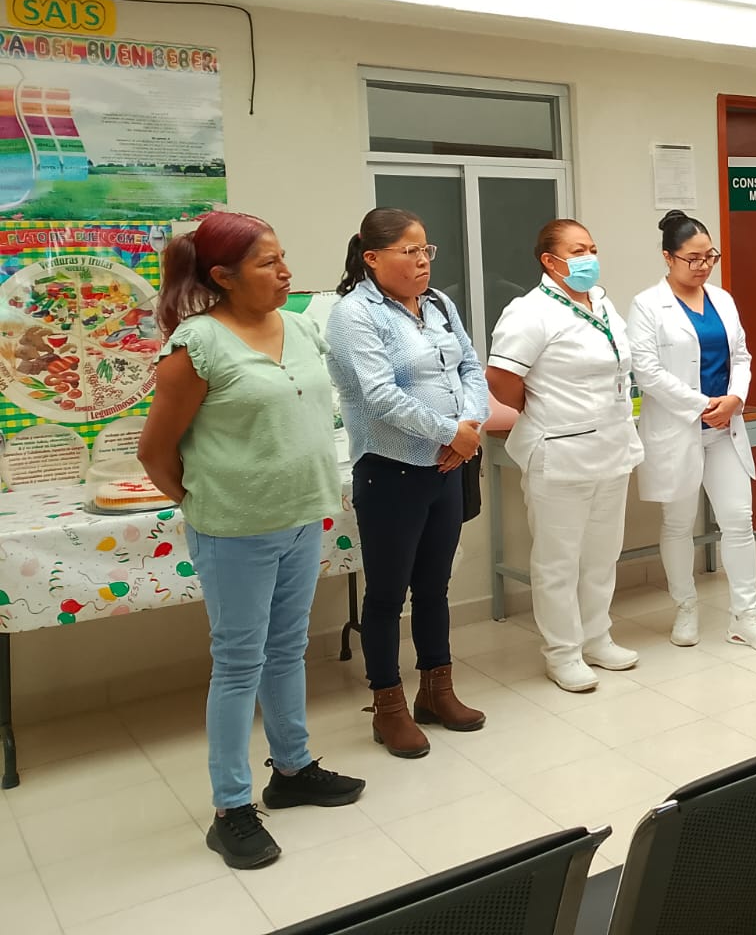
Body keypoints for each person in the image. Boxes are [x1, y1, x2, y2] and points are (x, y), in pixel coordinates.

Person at [138, 211, 364, 871]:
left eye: (283, 257)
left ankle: (291, 770)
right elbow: (155, 452)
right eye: (269, 263)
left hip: (303, 518)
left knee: (287, 649)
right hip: (234, 531)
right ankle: (230, 807)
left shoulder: (299, 327)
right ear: (224, 276)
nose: (286, 272)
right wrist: (205, 503)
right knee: (239, 664)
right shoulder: (197, 345)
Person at [325, 208, 491, 758]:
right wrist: (451, 432)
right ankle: (388, 706)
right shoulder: (354, 314)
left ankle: (436, 692)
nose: (422, 261)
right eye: (410, 251)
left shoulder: (438, 303)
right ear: (373, 258)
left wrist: (468, 427)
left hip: (446, 468)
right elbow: (379, 396)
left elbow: (471, 368)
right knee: (386, 595)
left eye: (426, 250)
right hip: (390, 471)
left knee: (434, 587)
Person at [485, 219, 644, 692]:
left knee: (602, 554)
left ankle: (597, 637)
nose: (589, 258)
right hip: (560, 452)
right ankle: (563, 652)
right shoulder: (530, 311)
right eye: (577, 251)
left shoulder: (602, 303)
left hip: (611, 447)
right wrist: (543, 410)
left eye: (592, 248)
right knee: (558, 562)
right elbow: (501, 379)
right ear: (550, 261)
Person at [627, 210, 756, 653]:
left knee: (739, 519)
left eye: (710, 257)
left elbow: (742, 356)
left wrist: (734, 399)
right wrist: (702, 405)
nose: (703, 266)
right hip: (678, 428)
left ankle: (746, 618)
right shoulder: (647, 305)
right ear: (668, 257)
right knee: (678, 523)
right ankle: (686, 607)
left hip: (724, 428)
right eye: (693, 258)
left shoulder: (722, 300)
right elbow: (647, 371)